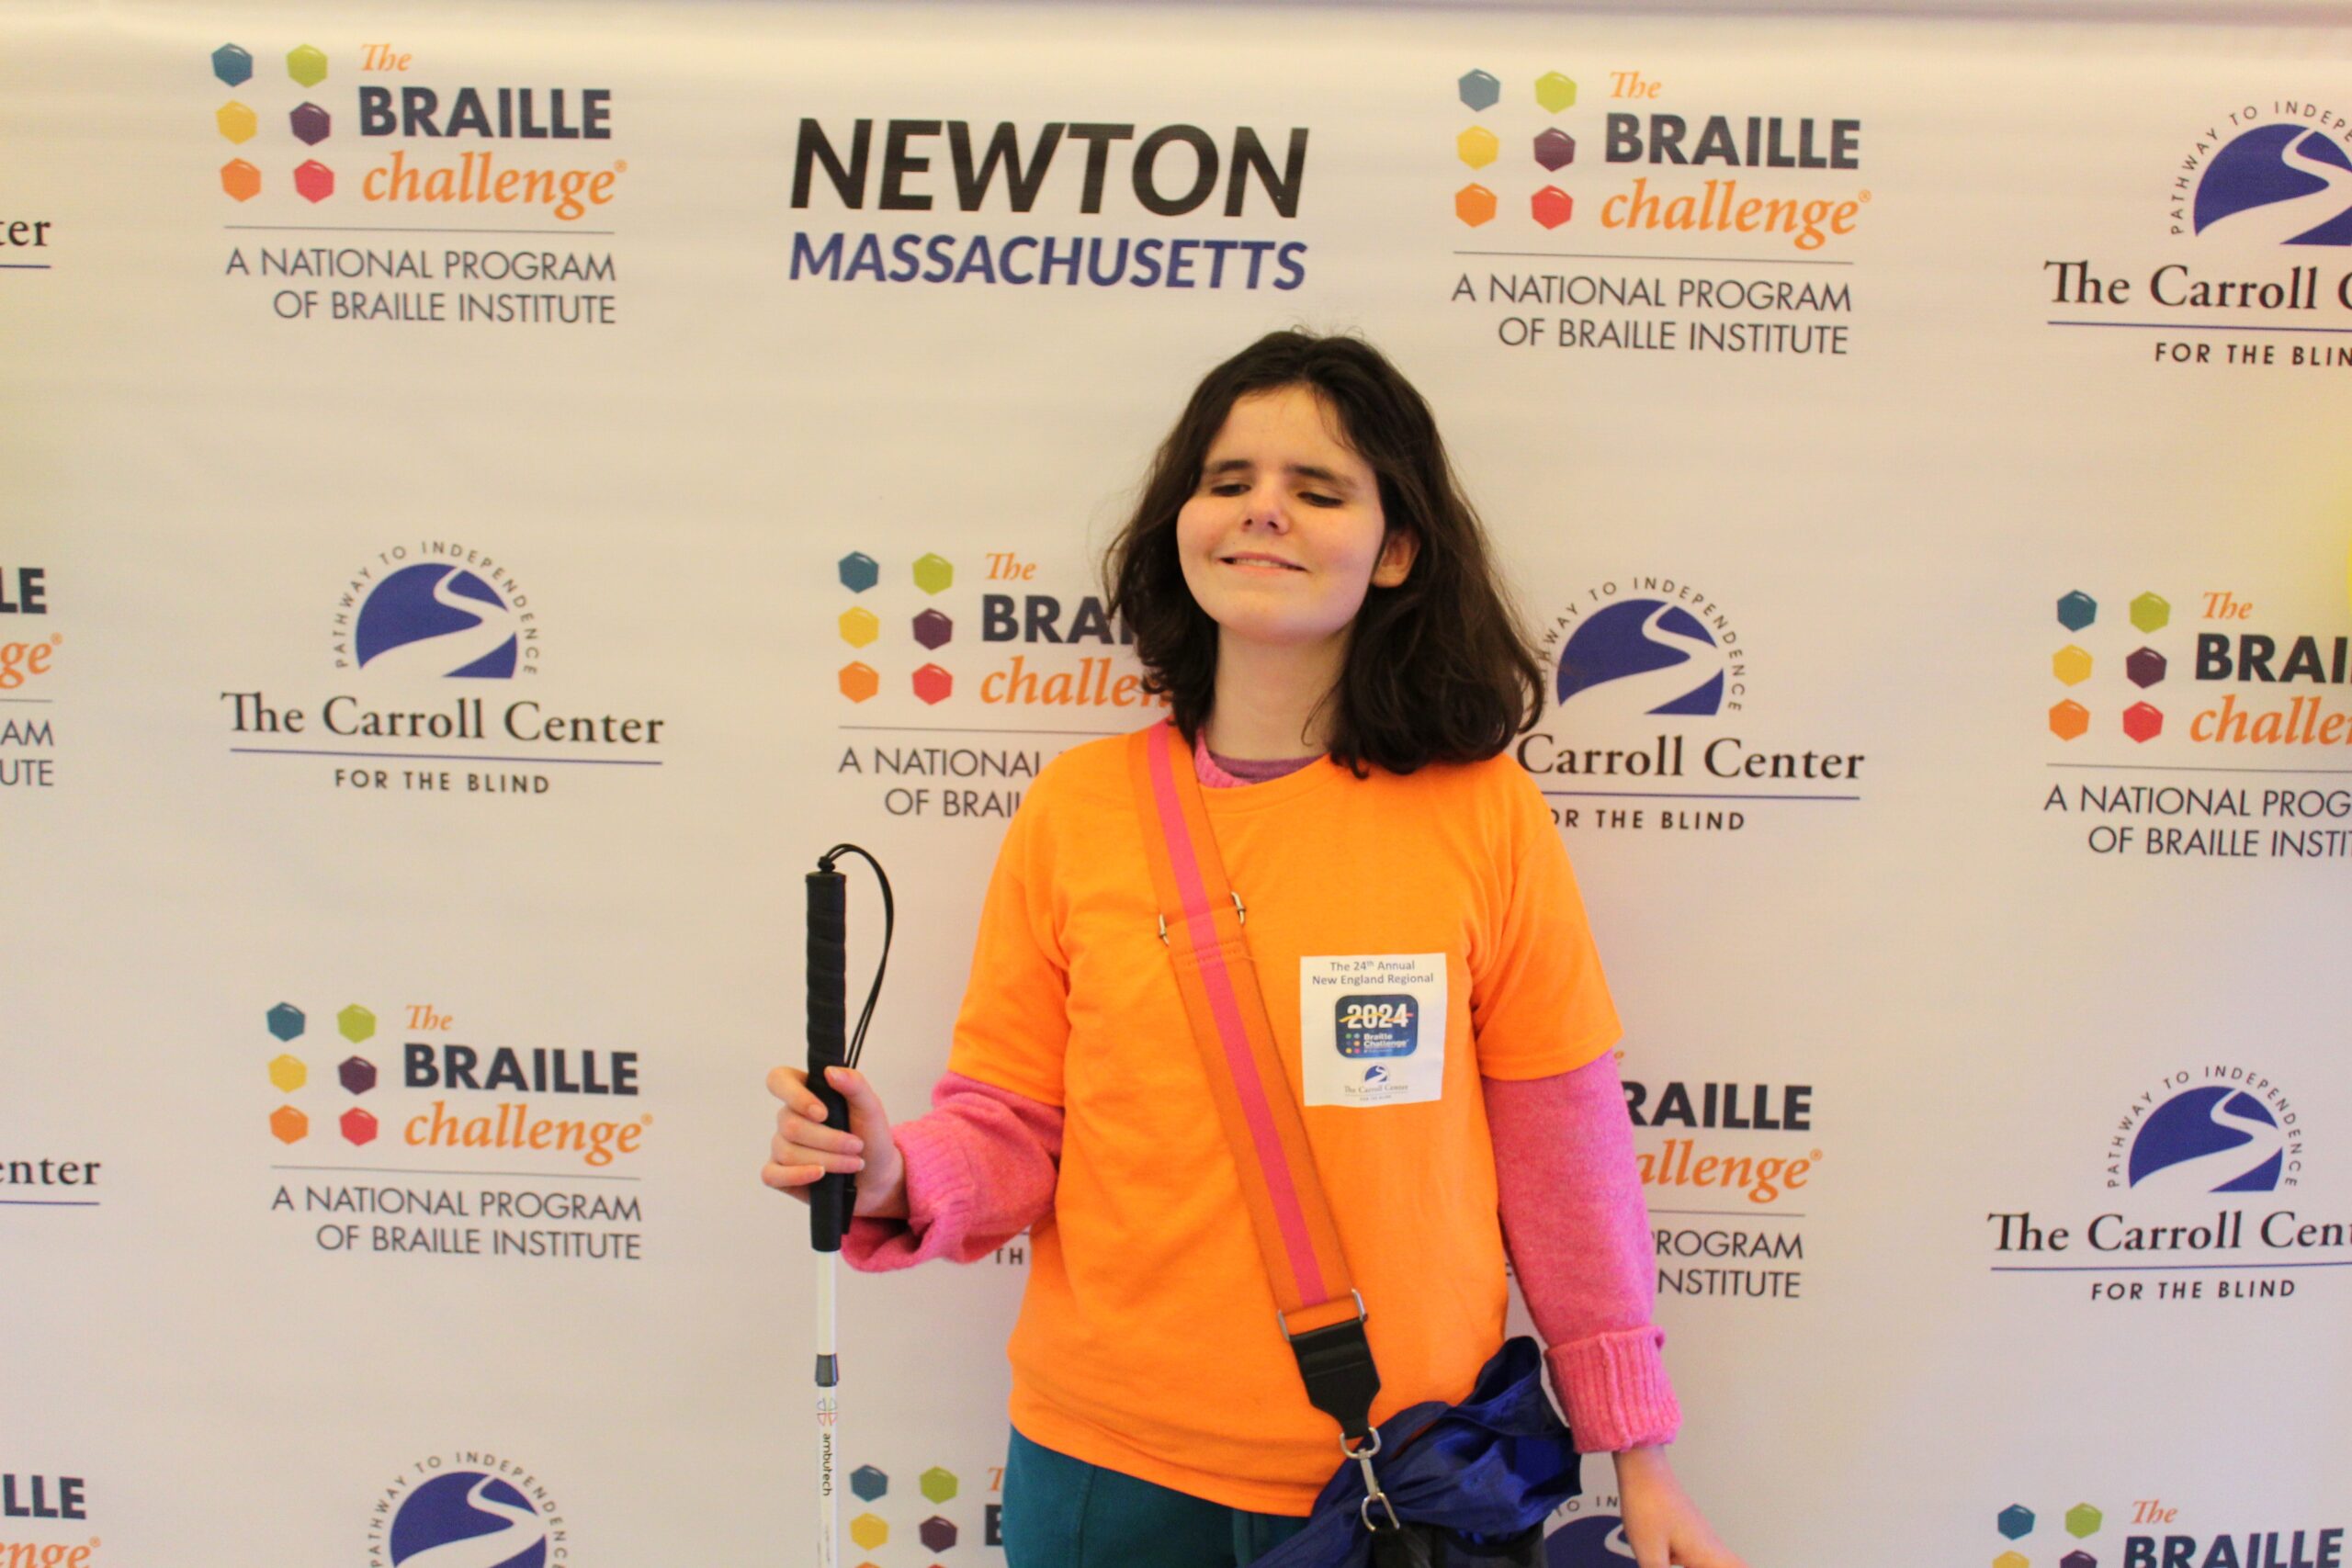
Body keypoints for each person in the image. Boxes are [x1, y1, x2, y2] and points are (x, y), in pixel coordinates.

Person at [765, 331, 1745, 1568]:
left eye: (1317, 489)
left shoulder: (1483, 812)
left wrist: (1637, 1457)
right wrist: (897, 1170)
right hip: (1099, 1467)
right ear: (1183, 522)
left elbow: (1567, 1156)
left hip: (1396, 1479)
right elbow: (1015, 1125)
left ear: (1396, 551)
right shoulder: (1078, 808)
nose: (1263, 510)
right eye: (1228, 482)